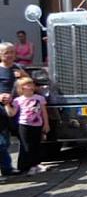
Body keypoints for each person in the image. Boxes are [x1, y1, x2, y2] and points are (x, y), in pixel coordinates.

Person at [3, 77, 49, 174]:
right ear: (21, 87)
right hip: (24, 125)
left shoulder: (39, 98)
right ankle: (30, 166)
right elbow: (12, 113)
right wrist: (7, 105)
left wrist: (46, 124)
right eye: (27, 84)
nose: (30, 86)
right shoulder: (18, 100)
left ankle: (36, 164)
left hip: (37, 125)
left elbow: (44, 112)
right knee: (27, 146)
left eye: (31, 84)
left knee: (36, 145)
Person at [0, 42, 28, 176]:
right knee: (3, 142)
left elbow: (29, 85)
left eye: (12, 52)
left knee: (23, 137)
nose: (10, 55)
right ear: (0, 55)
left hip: (18, 108)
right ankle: (6, 168)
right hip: (1, 109)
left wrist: (23, 76)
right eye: (6, 53)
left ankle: (23, 166)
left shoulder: (18, 68)